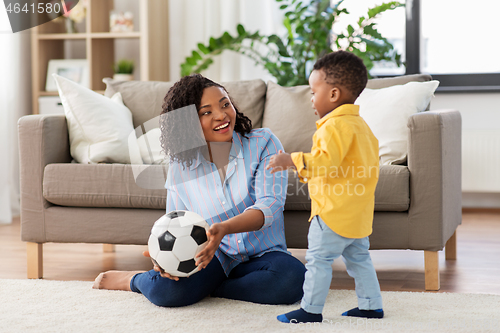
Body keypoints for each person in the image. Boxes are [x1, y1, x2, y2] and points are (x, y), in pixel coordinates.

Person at [93, 73, 306, 307]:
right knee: (166, 292)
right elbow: (174, 223)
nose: (221, 115)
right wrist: (162, 258)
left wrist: (224, 229)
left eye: (225, 104)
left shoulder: (264, 143)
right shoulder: (180, 165)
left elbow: (270, 205)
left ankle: (210, 287)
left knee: (293, 280)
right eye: (206, 112)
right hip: (210, 257)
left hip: (263, 256)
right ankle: (134, 280)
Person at [267, 51, 384, 323]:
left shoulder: (333, 127)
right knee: (359, 260)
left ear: (332, 94)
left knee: (318, 261)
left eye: (313, 91)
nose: (310, 99)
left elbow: (324, 163)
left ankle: (310, 310)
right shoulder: (363, 127)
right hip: (357, 213)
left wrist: (291, 160)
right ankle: (371, 305)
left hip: (331, 213)